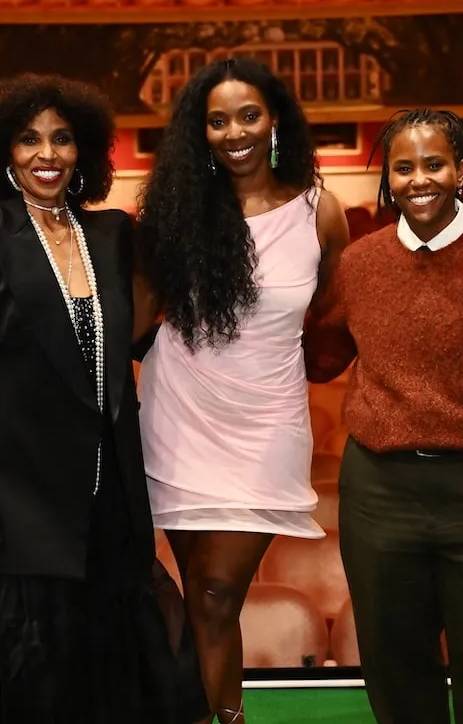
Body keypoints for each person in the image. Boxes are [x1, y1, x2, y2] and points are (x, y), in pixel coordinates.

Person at [0, 73, 205, 723]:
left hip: (107, 505)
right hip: (17, 511)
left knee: (106, 691)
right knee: (30, 694)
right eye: (28, 140)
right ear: (3, 151)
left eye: (62, 139)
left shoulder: (108, 234)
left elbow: (132, 343)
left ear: (85, 153)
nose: (46, 153)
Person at [305, 108, 463, 724]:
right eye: (404, 167)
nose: (420, 179)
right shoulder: (361, 264)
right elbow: (319, 357)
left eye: (435, 163)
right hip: (380, 493)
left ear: (461, 170)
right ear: (388, 180)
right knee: (395, 666)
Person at [134, 56, 349, 723]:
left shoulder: (321, 211)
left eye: (248, 115)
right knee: (203, 594)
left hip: (267, 422)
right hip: (179, 411)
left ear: (275, 118)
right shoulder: (173, 212)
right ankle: (217, 715)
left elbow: (336, 323)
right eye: (217, 120)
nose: (234, 132)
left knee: (218, 589)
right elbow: (139, 319)